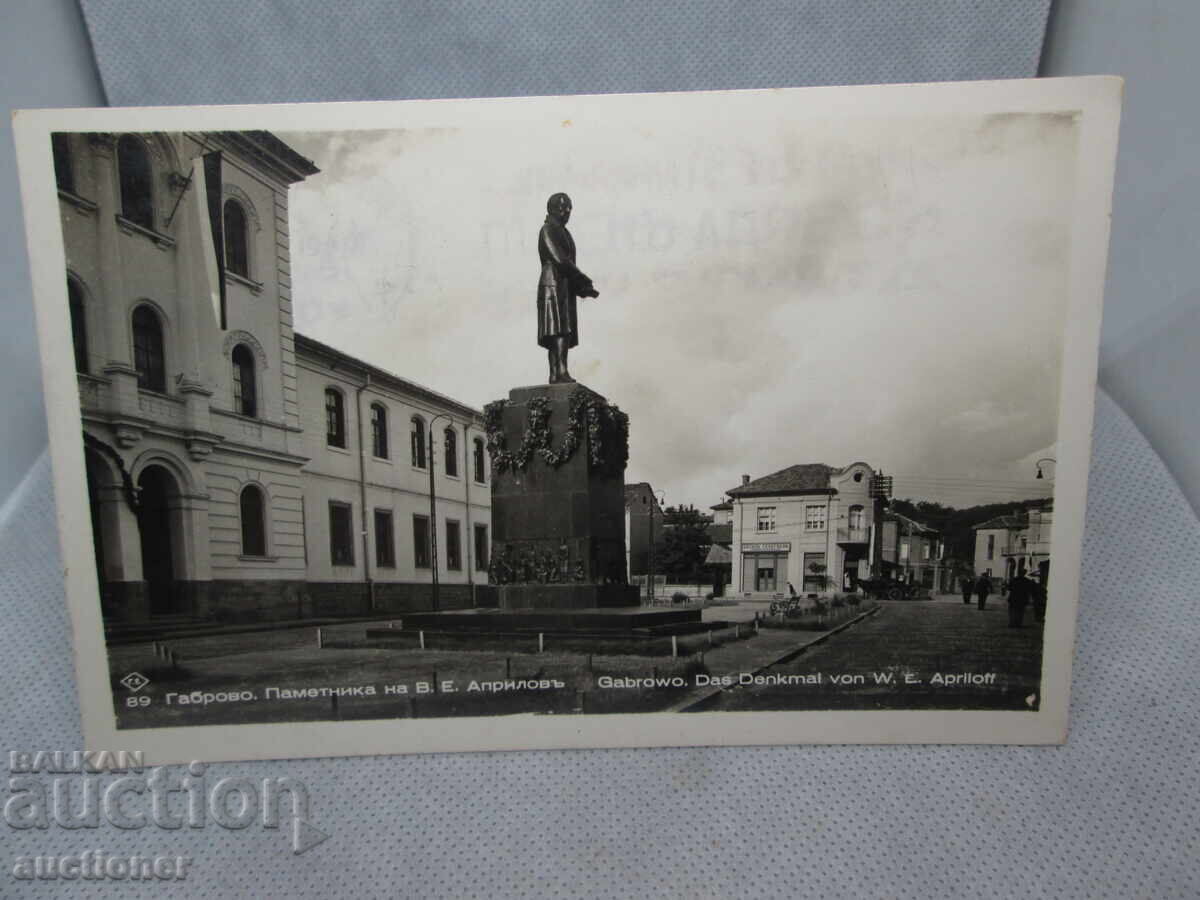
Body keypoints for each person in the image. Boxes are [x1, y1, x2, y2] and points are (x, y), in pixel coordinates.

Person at [537, 192, 599, 384]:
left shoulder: (565, 232)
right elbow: (559, 259)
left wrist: (583, 288)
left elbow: (566, 263)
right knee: (558, 330)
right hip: (552, 285)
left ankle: (558, 372)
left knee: (562, 330)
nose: (567, 211)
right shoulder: (547, 230)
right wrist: (582, 279)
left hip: (564, 287)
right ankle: (558, 371)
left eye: (570, 207)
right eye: (564, 207)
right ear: (553, 208)